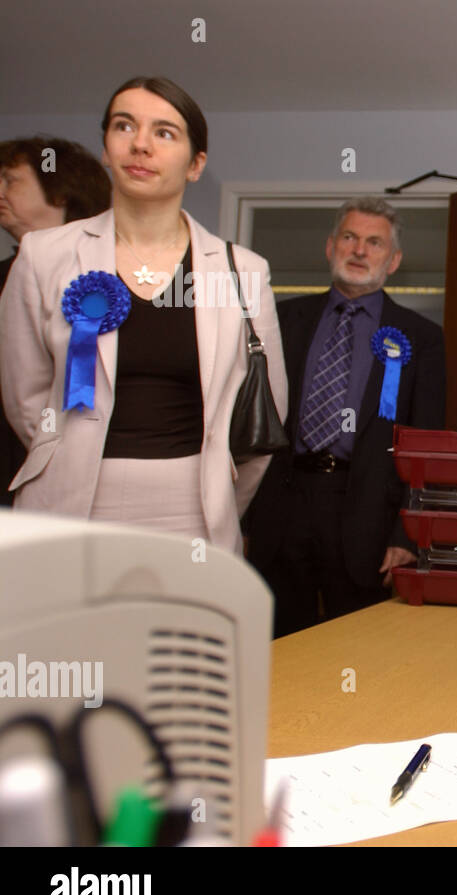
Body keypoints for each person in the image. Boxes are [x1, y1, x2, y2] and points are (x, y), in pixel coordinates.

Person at [0, 76, 287, 555]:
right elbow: (24, 394)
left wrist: (220, 501)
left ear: (196, 165)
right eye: (124, 126)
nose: (140, 144)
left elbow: (263, 418)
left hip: (195, 511)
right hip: (67, 506)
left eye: (164, 132)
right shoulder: (42, 255)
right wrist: (69, 457)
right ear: (106, 149)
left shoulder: (241, 271)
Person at [243, 197, 446, 638]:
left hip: (367, 514)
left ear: (393, 260)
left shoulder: (422, 337)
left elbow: (426, 446)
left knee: (356, 655)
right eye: (350, 238)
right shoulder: (282, 319)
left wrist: (408, 533)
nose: (359, 250)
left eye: (374, 243)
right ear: (330, 247)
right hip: (283, 506)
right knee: (276, 652)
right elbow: (250, 422)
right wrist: (242, 519)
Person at [0, 136, 112, 506]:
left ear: (61, 191)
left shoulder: (104, 280)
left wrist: (54, 452)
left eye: (10, 179)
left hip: (66, 476)